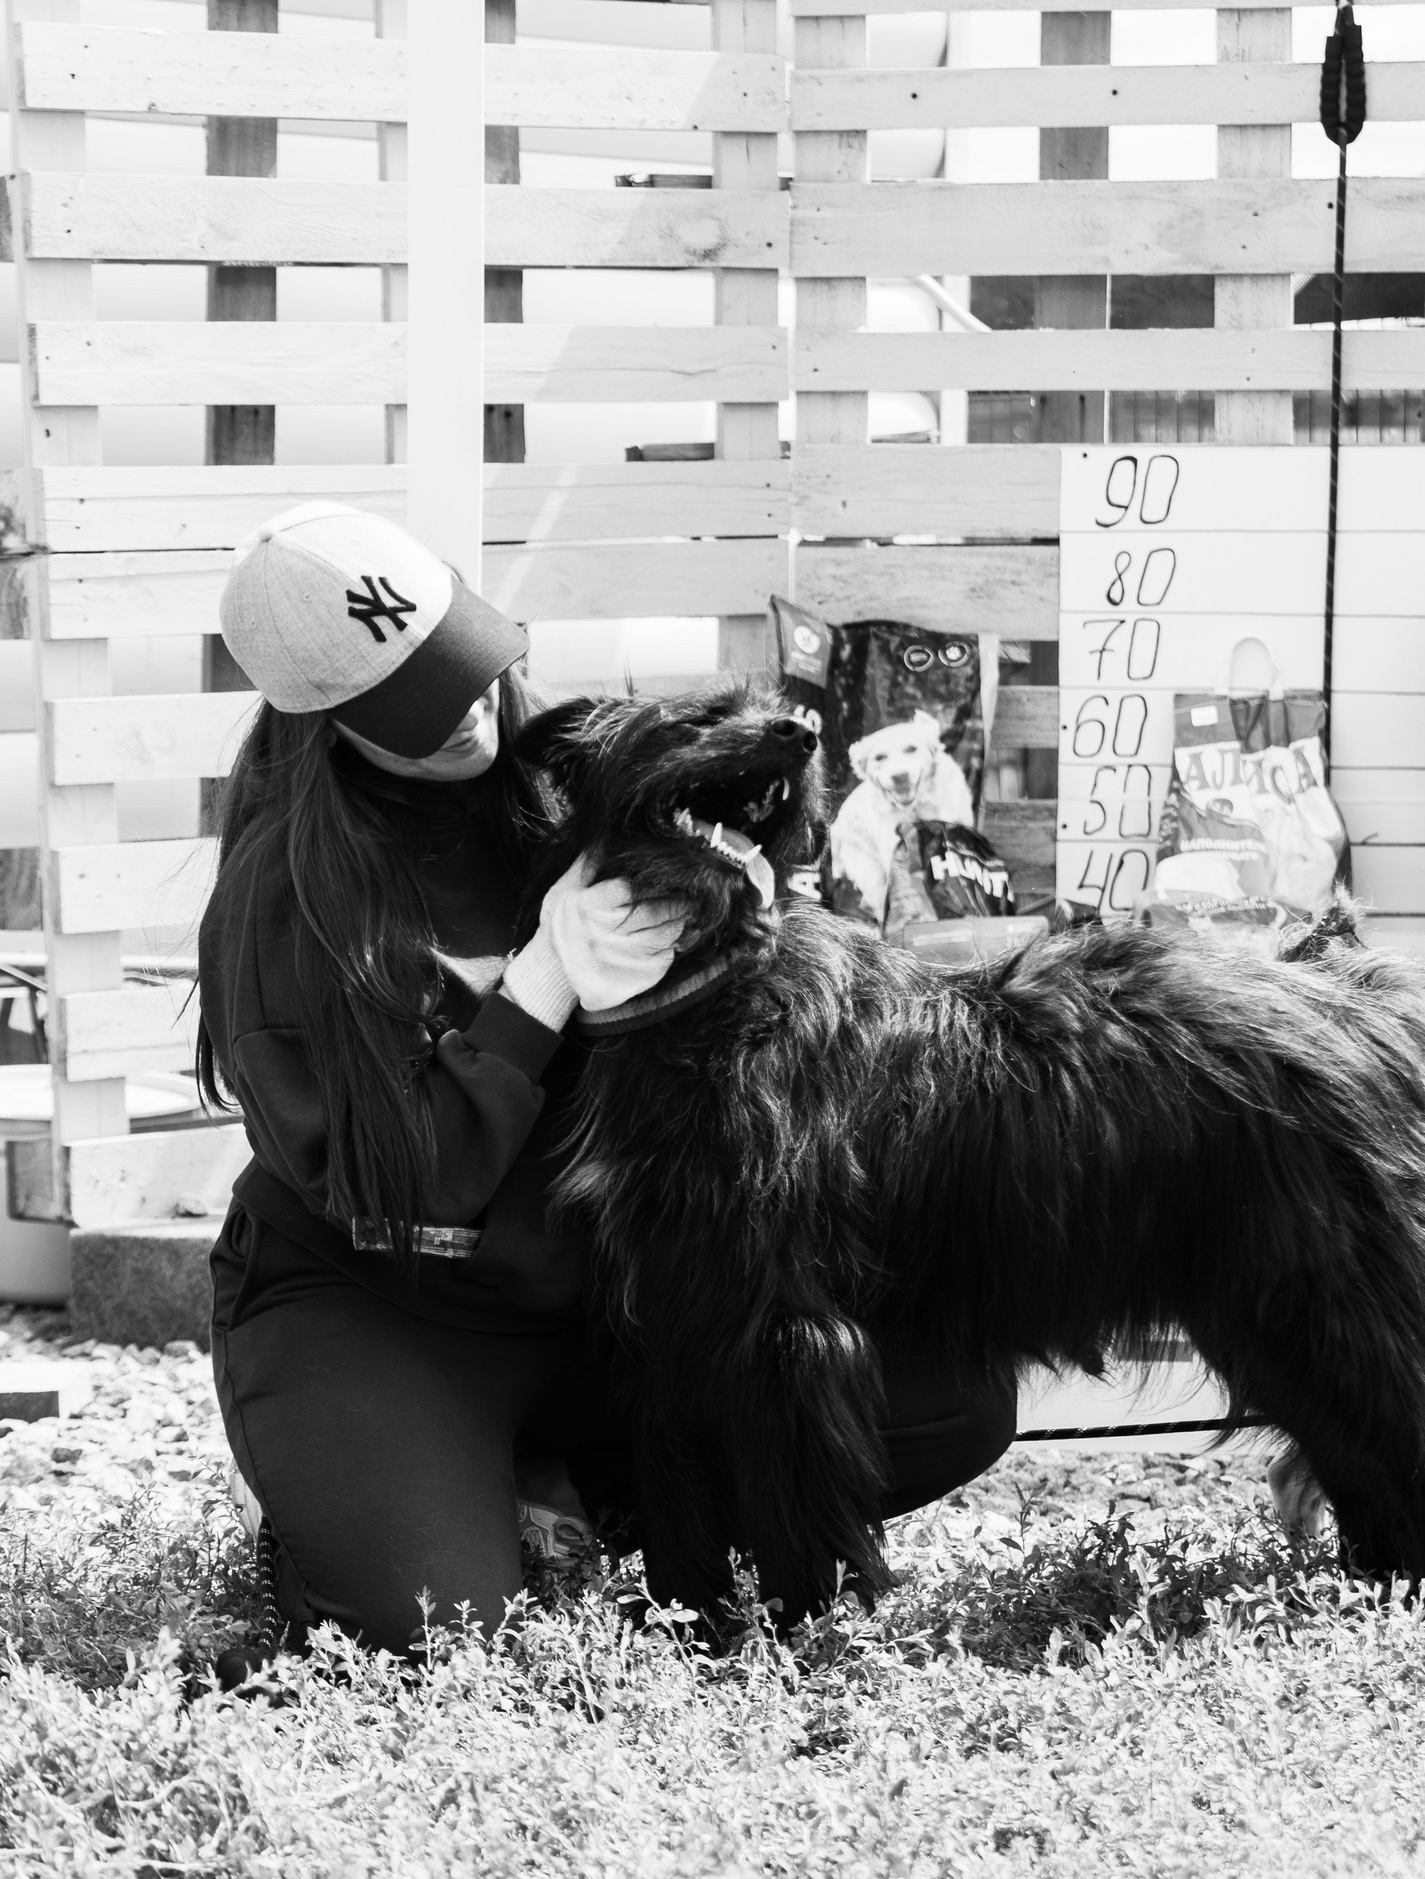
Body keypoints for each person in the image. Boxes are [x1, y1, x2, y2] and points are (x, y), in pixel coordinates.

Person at [194, 503, 1017, 1677]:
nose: (468, 713)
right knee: (442, 1640)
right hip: (386, 1306)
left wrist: (740, 906)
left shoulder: (563, 775)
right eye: (416, 708)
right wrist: (539, 983)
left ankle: (576, 1495)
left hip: (603, 1301)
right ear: (326, 720)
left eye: (466, 668)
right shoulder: (287, 902)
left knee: (943, 1402)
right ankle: (368, 1487)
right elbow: (408, 1184)